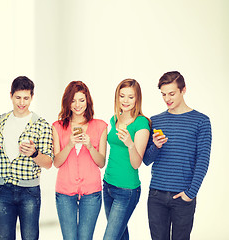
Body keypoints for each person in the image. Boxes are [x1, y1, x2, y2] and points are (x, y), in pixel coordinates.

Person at [143, 71, 212, 240]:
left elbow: (202, 160)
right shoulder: (155, 120)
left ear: (183, 90)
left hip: (183, 196)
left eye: (172, 93)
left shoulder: (201, 121)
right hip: (156, 195)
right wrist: (156, 147)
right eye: (163, 94)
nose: (167, 99)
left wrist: (190, 193)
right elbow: (146, 160)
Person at [0, 76, 53, 240]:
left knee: (30, 237)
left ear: (32, 97)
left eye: (26, 98)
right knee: (4, 237)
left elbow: (48, 163)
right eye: (18, 97)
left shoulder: (41, 125)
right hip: (2, 189)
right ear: (10, 95)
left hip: (29, 192)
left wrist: (34, 153)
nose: (22, 102)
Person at [52, 81, 107, 240]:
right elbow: (57, 162)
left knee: (85, 238)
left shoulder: (101, 126)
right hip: (64, 192)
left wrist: (89, 146)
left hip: (91, 192)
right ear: (67, 102)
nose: (77, 105)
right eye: (73, 100)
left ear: (87, 101)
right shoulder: (57, 126)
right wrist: (69, 144)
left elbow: (101, 162)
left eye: (81, 100)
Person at [103, 79, 150, 240]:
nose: (125, 100)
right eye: (122, 96)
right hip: (108, 184)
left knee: (110, 237)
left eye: (131, 97)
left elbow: (136, 163)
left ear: (137, 98)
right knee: (120, 235)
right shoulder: (114, 118)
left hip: (127, 190)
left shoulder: (141, 123)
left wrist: (130, 144)